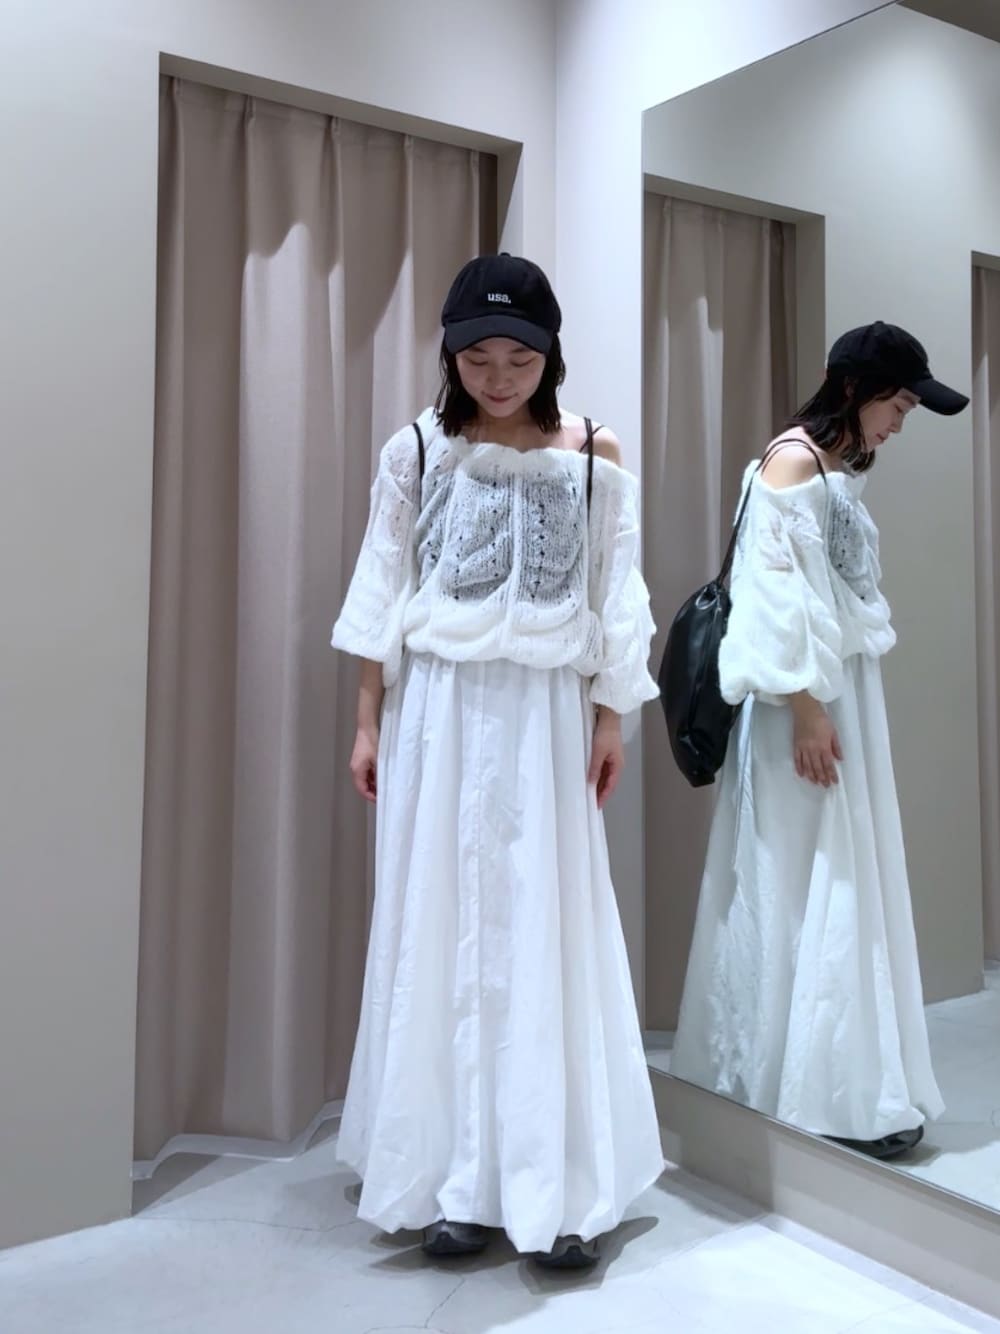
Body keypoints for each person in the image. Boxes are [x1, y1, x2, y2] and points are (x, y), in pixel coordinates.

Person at [331, 253, 663, 1267]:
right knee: (442, 923)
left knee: (543, 924)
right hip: (436, 712)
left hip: (545, 718)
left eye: (520, 358)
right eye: (478, 358)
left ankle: (555, 1185)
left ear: (550, 355)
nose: (499, 377)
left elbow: (615, 596)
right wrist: (367, 720)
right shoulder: (416, 449)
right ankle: (457, 1182)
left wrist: (609, 720)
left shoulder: (594, 453)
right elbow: (382, 586)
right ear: (450, 355)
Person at [671, 322, 969, 1160]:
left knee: (830, 871)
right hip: (800, 701)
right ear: (853, 389)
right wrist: (804, 708)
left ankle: (829, 1084)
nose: (901, 421)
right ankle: (819, 1093)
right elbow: (770, 596)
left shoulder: (829, 465)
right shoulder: (793, 462)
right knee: (814, 873)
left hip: (832, 694)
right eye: (897, 403)